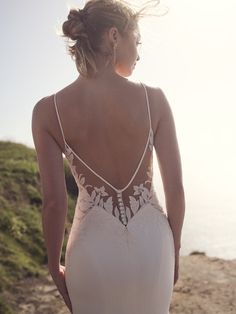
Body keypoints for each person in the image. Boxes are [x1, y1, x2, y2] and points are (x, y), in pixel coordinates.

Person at [31, 0, 185, 313]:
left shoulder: (48, 111)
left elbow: (54, 203)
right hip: (153, 248)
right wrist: (175, 251)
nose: (139, 53)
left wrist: (53, 264)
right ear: (115, 36)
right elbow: (176, 190)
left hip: (92, 252)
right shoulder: (154, 99)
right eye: (136, 41)